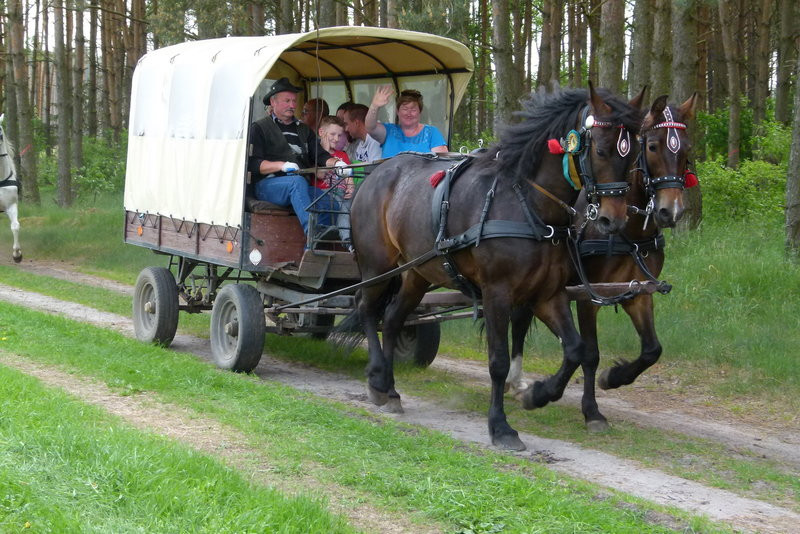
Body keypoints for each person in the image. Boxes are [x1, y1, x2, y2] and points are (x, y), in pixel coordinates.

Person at [247, 78, 347, 238]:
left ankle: (313, 250)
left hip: (298, 186)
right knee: (297, 182)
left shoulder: (304, 129)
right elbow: (254, 163)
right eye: (287, 101)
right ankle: (313, 233)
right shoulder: (259, 128)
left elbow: (320, 155)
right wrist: (281, 165)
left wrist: (338, 164)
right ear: (273, 102)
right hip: (267, 187)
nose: (292, 105)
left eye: (294, 101)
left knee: (331, 203)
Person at [365, 86, 447, 158]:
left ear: (420, 112)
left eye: (413, 110)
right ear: (397, 111)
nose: (409, 113)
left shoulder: (432, 133)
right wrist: (374, 106)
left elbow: (441, 163)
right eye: (405, 109)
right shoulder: (388, 131)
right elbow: (370, 127)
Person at [316, 116, 355, 247]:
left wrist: (350, 186)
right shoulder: (315, 153)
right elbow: (320, 174)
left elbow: (348, 174)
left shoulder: (342, 155)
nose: (336, 139)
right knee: (341, 205)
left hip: (341, 192)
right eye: (332, 134)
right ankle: (346, 240)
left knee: (356, 201)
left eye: (339, 135)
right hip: (323, 192)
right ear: (321, 132)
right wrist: (325, 152)